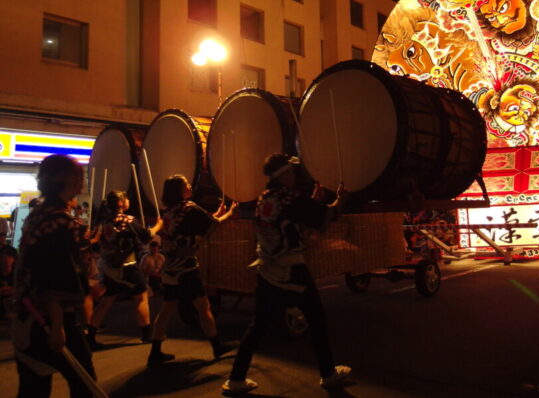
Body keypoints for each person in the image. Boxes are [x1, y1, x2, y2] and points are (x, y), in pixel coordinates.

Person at [222, 154, 351, 396]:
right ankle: (328, 374)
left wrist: (311, 203)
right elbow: (324, 217)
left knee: (258, 325)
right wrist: (340, 201)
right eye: (290, 173)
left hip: (266, 270)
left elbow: (292, 216)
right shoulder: (290, 197)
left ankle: (236, 378)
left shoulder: (264, 198)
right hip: (292, 270)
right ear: (283, 175)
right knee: (317, 319)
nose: (294, 176)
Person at [11, 154, 96, 397]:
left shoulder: (36, 214)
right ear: (64, 179)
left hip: (27, 316)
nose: (81, 181)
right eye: (78, 175)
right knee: (85, 384)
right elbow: (52, 276)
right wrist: (58, 325)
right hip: (50, 319)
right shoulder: (60, 222)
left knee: (34, 387)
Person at [147, 174, 238, 366]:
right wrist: (230, 212)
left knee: (166, 309)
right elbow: (212, 225)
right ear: (180, 190)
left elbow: (202, 221)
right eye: (186, 184)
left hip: (170, 268)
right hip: (186, 267)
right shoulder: (189, 208)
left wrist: (217, 212)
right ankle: (217, 345)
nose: (189, 186)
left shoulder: (169, 212)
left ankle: (154, 351)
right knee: (203, 306)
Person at [86, 190, 162, 350]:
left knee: (106, 301)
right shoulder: (128, 220)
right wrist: (158, 226)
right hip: (127, 266)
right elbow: (146, 236)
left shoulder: (103, 221)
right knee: (141, 298)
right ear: (120, 203)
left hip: (109, 266)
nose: (128, 200)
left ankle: (91, 336)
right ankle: (146, 334)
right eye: (125, 198)